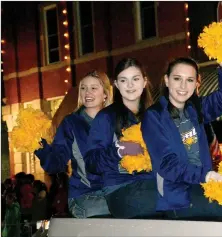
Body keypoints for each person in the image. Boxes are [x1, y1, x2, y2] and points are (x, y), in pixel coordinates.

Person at [141, 57, 222, 220]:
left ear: (196, 84)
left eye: (189, 80)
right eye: (177, 79)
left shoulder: (196, 108)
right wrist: (207, 176)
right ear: (167, 81)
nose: (183, 86)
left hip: (204, 187)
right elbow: (167, 164)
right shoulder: (154, 116)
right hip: (177, 196)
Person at [85, 58, 159, 219]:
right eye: (124, 80)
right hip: (121, 189)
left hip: (154, 185)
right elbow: (91, 163)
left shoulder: (156, 116)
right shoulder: (106, 117)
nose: (130, 85)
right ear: (116, 85)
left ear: (144, 82)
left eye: (135, 79)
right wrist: (119, 150)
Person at [34, 70, 112, 218]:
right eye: (83, 88)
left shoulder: (116, 121)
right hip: (84, 196)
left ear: (105, 94)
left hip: (114, 192)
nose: (87, 92)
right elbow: (56, 163)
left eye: (93, 88)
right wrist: (38, 146)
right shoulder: (71, 123)